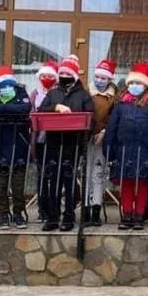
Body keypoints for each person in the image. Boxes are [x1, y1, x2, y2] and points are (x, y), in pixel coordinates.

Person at [106, 61, 148, 230]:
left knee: (142, 183)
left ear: (146, 85)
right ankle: (126, 214)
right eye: (132, 83)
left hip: (146, 151)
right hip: (124, 150)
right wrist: (109, 149)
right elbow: (112, 127)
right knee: (126, 183)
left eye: (138, 83)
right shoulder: (120, 103)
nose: (135, 86)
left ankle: (139, 215)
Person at [38, 56, 96, 232]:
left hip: (72, 143)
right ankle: (52, 217)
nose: (63, 75)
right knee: (52, 180)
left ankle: (69, 217)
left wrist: (80, 133)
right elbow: (40, 112)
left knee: (69, 180)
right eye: (61, 73)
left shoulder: (83, 95)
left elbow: (90, 119)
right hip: (53, 142)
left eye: (67, 73)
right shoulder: (53, 93)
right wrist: (55, 107)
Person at [0, 65, 31, 230]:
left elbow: (24, 109)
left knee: (18, 184)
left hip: (19, 144)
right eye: (1, 86)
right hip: (0, 145)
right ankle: (3, 214)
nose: (5, 88)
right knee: (1, 184)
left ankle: (18, 213)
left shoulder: (21, 94)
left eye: (7, 85)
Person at [86, 58, 117, 228]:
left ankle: (96, 208)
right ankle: (85, 207)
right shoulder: (85, 92)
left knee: (98, 173)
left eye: (103, 78)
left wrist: (104, 132)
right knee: (86, 173)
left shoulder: (114, 97)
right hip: (86, 138)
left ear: (109, 79)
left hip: (102, 139)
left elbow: (113, 117)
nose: (99, 80)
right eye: (97, 77)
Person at [29, 60, 59, 224]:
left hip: (54, 140)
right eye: (43, 75)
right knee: (41, 177)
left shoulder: (59, 93)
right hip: (39, 140)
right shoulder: (34, 94)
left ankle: (54, 209)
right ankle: (42, 210)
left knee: (54, 175)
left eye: (50, 75)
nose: (46, 78)